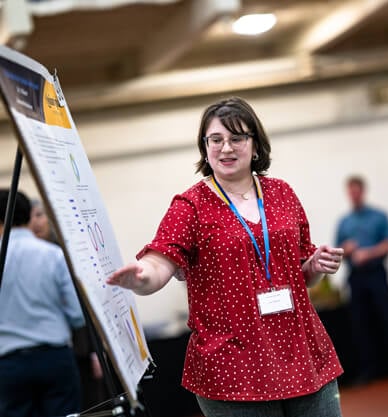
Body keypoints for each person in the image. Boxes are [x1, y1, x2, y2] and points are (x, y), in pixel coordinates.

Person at [106, 96, 345, 417]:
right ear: (204, 148)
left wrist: (314, 265)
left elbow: (301, 273)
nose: (226, 148)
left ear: (256, 145)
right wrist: (142, 277)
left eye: (237, 138)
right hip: (234, 363)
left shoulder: (282, 194)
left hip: (300, 351)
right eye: (215, 140)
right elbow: (160, 261)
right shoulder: (190, 205)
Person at [0, 189, 85, 417]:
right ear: (29, 216)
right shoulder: (53, 254)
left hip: (8, 363)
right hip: (55, 358)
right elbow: (78, 314)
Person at [28, 198, 107, 410]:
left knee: (91, 404)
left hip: (81, 348)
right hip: (48, 351)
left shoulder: (67, 253)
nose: (35, 223)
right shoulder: (27, 257)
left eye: (39, 215)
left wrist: (94, 350)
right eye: (30, 217)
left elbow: (87, 305)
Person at [335, 175, 388, 385]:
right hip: (356, 278)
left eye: (356, 190)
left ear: (363, 191)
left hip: (376, 274)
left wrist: (369, 253)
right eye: (350, 191)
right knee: (360, 325)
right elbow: (337, 252)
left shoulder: (379, 216)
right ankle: (369, 371)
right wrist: (346, 250)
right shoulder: (344, 222)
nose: (353, 195)